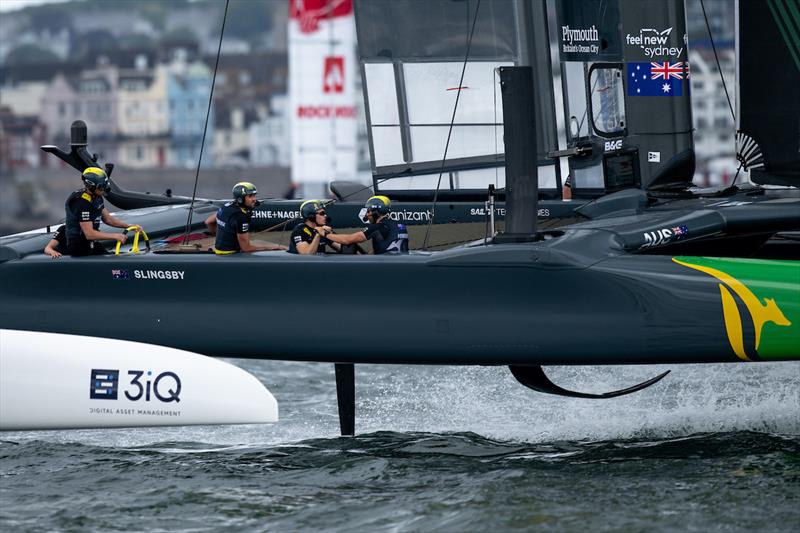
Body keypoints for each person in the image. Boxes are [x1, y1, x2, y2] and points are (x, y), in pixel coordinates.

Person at [64, 167, 140, 256]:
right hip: (78, 246)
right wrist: (115, 236)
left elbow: (108, 219)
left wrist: (129, 226)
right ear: (90, 186)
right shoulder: (82, 202)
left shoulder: (97, 196)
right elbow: (89, 234)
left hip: (91, 243)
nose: (103, 190)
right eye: (101, 187)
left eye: (105, 187)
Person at [205, 181, 282, 254]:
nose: (254, 199)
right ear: (240, 199)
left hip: (218, 250)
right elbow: (246, 248)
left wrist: (216, 235)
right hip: (231, 255)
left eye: (254, 196)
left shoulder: (226, 206)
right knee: (273, 246)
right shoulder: (241, 217)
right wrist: (271, 247)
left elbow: (209, 222)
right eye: (250, 196)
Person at [325, 195, 409, 254]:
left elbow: (347, 240)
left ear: (376, 212)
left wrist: (325, 234)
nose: (367, 215)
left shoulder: (378, 227)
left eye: (368, 211)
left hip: (387, 268)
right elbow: (388, 245)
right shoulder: (399, 225)